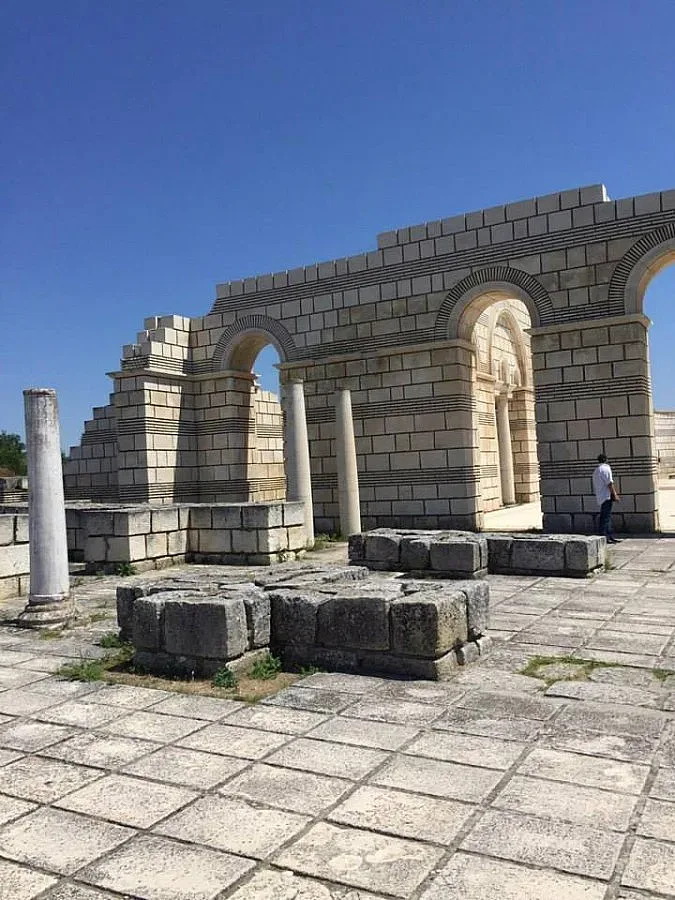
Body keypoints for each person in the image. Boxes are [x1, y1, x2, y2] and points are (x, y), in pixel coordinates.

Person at [592, 453, 620, 544]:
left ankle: (609, 535)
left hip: (600, 496)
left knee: (606, 516)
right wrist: (614, 494)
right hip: (607, 496)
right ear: (606, 460)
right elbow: (609, 483)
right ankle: (605, 536)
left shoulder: (596, 470)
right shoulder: (606, 469)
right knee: (606, 517)